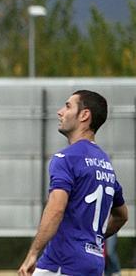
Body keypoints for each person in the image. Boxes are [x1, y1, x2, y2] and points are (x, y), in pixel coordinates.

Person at [18, 90, 128, 276]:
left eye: (68, 106)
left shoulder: (66, 158)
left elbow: (56, 208)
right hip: (94, 265)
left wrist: (33, 253)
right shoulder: (106, 165)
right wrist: (95, 240)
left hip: (62, 263)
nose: (60, 112)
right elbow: (122, 216)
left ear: (84, 115)